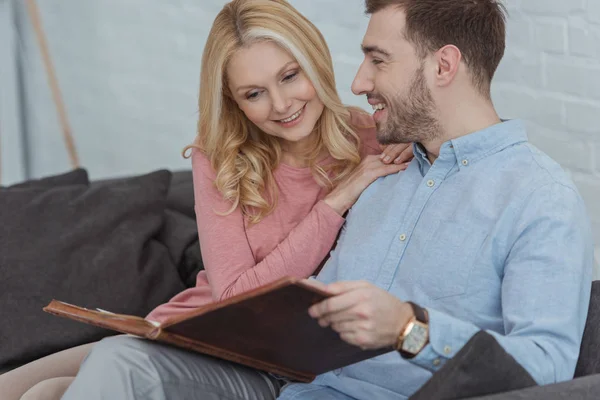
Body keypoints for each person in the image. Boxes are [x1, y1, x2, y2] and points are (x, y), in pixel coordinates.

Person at [59, 0, 594, 399]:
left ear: (443, 66)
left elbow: (547, 372)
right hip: (290, 384)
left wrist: (411, 328)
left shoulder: (537, 198)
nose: (358, 82)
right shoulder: (385, 169)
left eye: (377, 60)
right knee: (114, 365)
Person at [0, 1, 413, 399]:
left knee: (72, 382)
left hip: (259, 357)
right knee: (23, 389)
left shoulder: (375, 143)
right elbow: (233, 295)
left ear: (316, 61)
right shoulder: (219, 156)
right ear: (234, 100)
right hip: (193, 330)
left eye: (290, 76)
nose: (282, 105)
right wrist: (335, 201)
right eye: (254, 94)